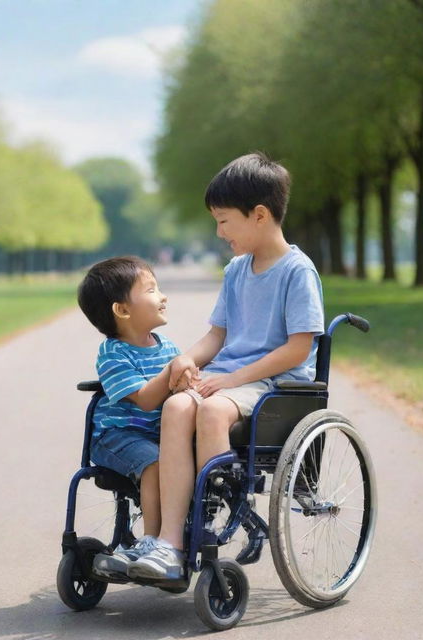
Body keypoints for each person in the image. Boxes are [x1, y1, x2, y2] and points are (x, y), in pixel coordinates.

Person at [127, 152, 325, 583]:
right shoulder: (237, 270)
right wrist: (187, 359)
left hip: (277, 384)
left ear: (258, 215)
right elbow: (217, 336)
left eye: (223, 221)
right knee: (179, 406)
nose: (219, 233)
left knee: (213, 409)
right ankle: (170, 543)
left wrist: (230, 379)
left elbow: (298, 349)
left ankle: (213, 515)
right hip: (232, 378)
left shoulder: (297, 270)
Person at [77, 256, 196, 581]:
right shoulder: (113, 353)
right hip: (117, 438)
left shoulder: (167, 346)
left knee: (176, 457)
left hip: (155, 436)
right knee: (156, 464)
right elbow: (144, 399)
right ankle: (154, 543)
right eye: (152, 289)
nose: (163, 297)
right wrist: (174, 370)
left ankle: (167, 542)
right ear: (123, 310)